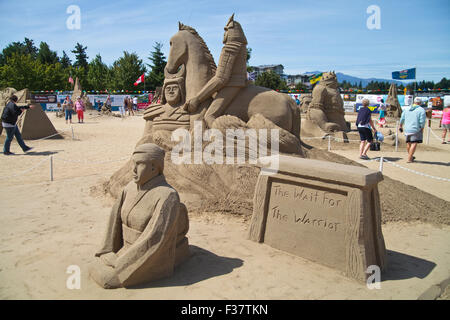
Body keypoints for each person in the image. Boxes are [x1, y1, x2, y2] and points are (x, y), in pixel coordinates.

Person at [89, 143, 190, 288]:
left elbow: (155, 238)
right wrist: (108, 250)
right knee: (98, 268)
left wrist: (121, 263)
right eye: (133, 163)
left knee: (105, 278)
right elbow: (114, 223)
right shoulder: (129, 188)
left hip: (146, 254)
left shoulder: (167, 196)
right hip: (125, 250)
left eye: (140, 164)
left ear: (154, 168)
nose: (134, 169)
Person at [183, 14, 248, 127]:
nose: (224, 33)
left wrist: (197, 99)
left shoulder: (230, 47)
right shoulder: (241, 46)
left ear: (232, 32)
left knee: (209, 116)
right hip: (241, 82)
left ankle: (223, 141)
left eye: (226, 30)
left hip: (232, 85)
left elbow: (221, 78)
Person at [399, 97, 426, 163]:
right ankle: (410, 158)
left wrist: (400, 125)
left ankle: (410, 156)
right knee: (414, 143)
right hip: (416, 128)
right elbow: (422, 121)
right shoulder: (421, 110)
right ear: (420, 103)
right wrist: (422, 128)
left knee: (408, 143)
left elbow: (402, 118)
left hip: (407, 128)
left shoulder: (407, 108)